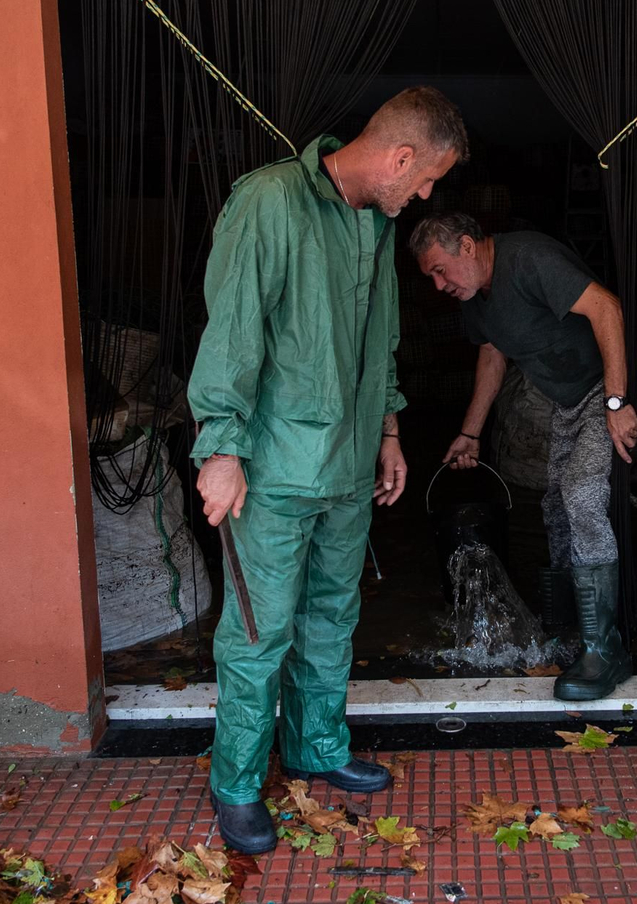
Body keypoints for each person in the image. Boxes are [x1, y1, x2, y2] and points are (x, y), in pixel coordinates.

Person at [188, 87, 467, 854]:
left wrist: (389, 431)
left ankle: (317, 748)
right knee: (258, 632)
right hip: (273, 468)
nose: (426, 195)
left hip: (347, 468)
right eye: (428, 179)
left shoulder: (376, 220)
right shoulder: (270, 201)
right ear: (400, 157)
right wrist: (220, 449)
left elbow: (383, 334)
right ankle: (237, 782)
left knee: (330, 619)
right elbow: (235, 326)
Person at [408, 213, 637, 701]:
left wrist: (617, 402)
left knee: (580, 497)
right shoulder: (477, 299)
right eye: (430, 276)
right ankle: (571, 631)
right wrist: (470, 432)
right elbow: (493, 356)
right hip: (569, 399)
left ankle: (606, 649)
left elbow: (606, 308)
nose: (438, 284)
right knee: (555, 507)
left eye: (439, 269)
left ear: (467, 246)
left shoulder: (528, 259)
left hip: (607, 389)